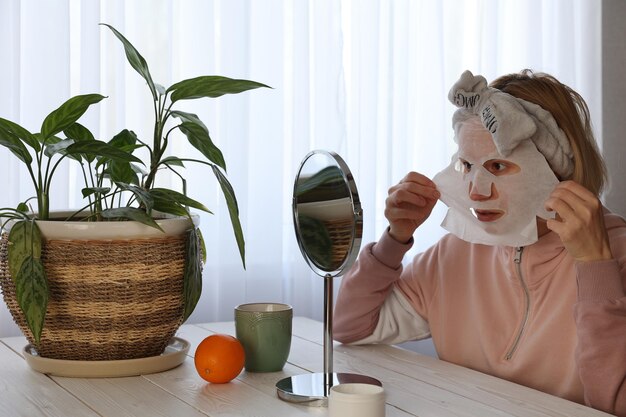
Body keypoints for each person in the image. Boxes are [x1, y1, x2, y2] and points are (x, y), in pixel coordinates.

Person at [333, 69, 626, 416]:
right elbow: (349, 327)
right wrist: (396, 239)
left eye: (498, 166)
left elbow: (614, 403)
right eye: (467, 165)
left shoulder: (615, 254)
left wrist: (595, 266)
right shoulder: (457, 252)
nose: (476, 189)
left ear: (558, 168)